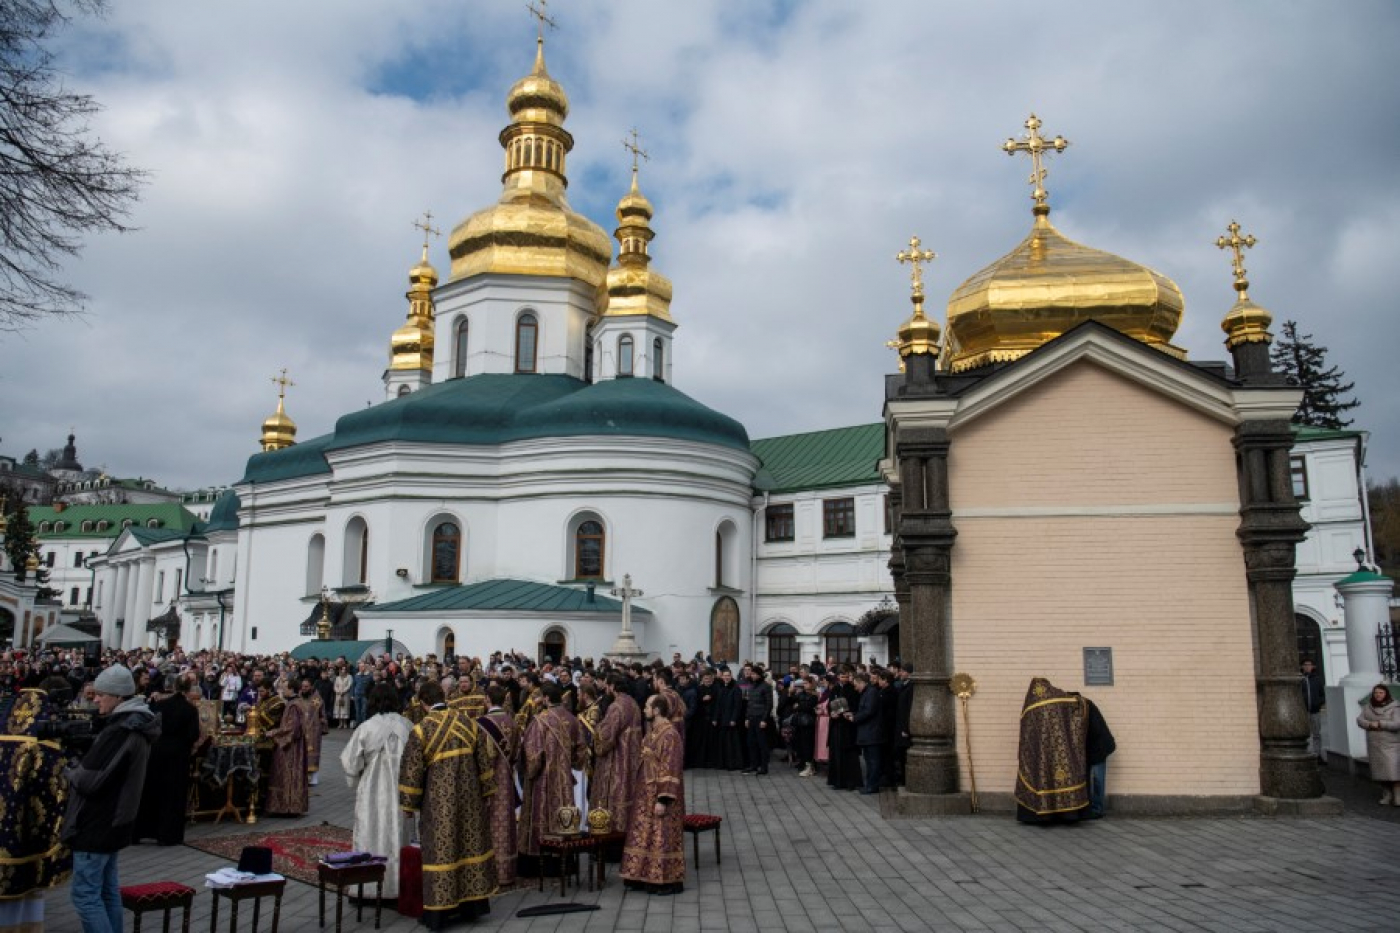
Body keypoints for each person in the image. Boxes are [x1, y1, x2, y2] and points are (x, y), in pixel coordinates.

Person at [61, 664, 161, 933]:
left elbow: (89, 780)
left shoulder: (122, 729)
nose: (95, 700)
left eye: (100, 695)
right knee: (106, 891)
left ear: (118, 697)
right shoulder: (136, 725)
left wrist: (69, 768)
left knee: (86, 895)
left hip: (98, 821)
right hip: (115, 817)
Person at [398, 681, 497, 928]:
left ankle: (439, 913)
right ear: (444, 697)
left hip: (438, 803)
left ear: (423, 702)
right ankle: (471, 907)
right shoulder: (468, 723)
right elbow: (484, 762)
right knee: (469, 847)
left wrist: (408, 804)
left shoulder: (421, 730)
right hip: (471, 799)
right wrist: (487, 791)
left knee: (441, 849)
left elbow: (412, 771)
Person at [340, 682, 413, 899]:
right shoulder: (407, 726)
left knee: (369, 831)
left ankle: (367, 888)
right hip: (401, 788)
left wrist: (354, 778)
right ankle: (398, 887)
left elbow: (351, 762)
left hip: (372, 787)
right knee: (398, 833)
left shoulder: (366, 727)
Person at [518, 682, 587, 878]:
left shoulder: (540, 721)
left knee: (541, 816)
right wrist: (568, 764)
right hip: (564, 781)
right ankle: (564, 862)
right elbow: (581, 753)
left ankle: (539, 863)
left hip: (543, 780)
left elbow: (533, 756)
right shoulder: (573, 720)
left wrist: (528, 773)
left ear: (546, 698)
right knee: (563, 817)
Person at [620, 693, 686, 896]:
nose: (644, 709)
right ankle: (641, 875)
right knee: (644, 836)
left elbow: (671, 768)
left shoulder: (669, 735)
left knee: (661, 836)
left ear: (656, 710)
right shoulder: (653, 732)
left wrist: (663, 799)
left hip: (661, 794)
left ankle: (666, 880)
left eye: (647, 706)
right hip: (644, 794)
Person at [134, 673, 202, 846]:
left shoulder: (161, 705)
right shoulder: (190, 709)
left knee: (151, 789)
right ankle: (168, 834)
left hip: (157, 750)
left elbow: (150, 726)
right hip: (178, 754)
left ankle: (141, 830)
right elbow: (193, 735)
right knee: (172, 793)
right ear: (189, 689)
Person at [1014, 677, 1089, 823]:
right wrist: (1078, 699)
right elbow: (1078, 704)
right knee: (1065, 776)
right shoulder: (1059, 700)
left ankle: (1042, 816)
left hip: (1040, 753)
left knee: (1042, 776)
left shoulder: (1030, 707)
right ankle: (1068, 815)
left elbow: (1027, 735)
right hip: (1061, 749)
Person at [476, 684, 520, 887]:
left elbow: (482, 757)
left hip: (488, 783)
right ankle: (508, 871)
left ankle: (490, 871)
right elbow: (516, 754)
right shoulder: (512, 722)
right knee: (506, 823)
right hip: (507, 780)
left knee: (489, 824)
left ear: (487, 700)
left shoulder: (482, 724)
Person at [591, 673, 641, 839]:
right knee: (629, 791)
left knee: (615, 793)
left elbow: (607, 735)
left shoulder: (616, 706)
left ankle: (613, 835)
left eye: (607, 685)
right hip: (631, 757)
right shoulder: (633, 703)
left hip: (617, 759)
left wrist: (596, 727)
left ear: (612, 686)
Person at [263, 681, 310, 816]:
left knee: (286, 774)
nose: (282, 691)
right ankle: (292, 806)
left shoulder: (294, 705)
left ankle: (286, 806)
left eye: (284, 688)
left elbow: (291, 728)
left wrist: (272, 733)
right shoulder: (299, 702)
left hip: (291, 746)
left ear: (291, 689)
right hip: (297, 744)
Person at [1357, 683, 1400, 805]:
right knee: (1380, 771)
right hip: (1375, 744)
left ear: (1386, 694)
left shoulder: (1395, 707)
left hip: (1391, 744)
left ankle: (1398, 795)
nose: (1378, 695)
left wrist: (1381, 723)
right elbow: (1359, 720)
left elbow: (1397, 723)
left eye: (1381, 693)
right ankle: (1387, 794)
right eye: (1376, 693)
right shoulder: (1368, 707)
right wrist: (1369, 724)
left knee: (1394, 770)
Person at [850, 671, 884, 794]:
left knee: (873, 761)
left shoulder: (871, 693)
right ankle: (870, 784)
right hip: (867, 733)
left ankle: (872, 785)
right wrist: (854, 714)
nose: (855, 687)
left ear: (861, 682)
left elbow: (869, 711)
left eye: (856, 684)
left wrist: (855, 718)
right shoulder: (867, 692)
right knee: (869, 760)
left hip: (872, 733)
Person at [742, 666, 774, 775]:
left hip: (761, 718)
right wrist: (747, 717)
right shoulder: (751, 686)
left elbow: (769, 704)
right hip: (751, 718)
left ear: (760, 675)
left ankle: (764, 767)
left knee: (762, 744)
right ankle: (753, 765)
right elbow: (749, 704)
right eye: (752, 674)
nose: (753, 676)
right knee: (751, 743)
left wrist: (764, 719)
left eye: (755, 674)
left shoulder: (766, 686)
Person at [1301, 659, 1326, 763]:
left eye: (1309, 665)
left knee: (1316, 733)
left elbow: (1322, 694)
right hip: (1303, 711)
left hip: (1315, 710)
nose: (1307, 667)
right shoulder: (1301, 680)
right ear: (1302, 667)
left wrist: (1318, 703)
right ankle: (1306, 754)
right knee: (1305, 733)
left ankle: (1317, 754)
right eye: (1305, 665)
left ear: (1312, 667)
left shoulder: (1317, 679)